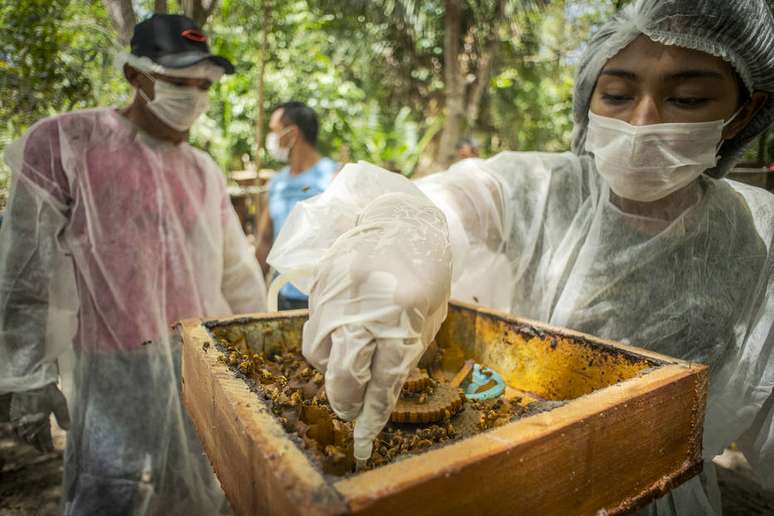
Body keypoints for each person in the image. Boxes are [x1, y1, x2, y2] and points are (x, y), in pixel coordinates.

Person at [266, 1, 774, 513]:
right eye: (618, 94)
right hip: (511, 477)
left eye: (687, 98)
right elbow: (455, 197)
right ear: (590, 95)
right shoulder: (541, 187)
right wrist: (402, 223)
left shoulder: (759, 239)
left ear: (744, 112)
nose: (642, 122)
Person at [0, 14, 266, 515]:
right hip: (113, 369)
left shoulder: (201, 170)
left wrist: (261, 353)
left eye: (202, 85)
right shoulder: (69, 144)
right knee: (112, 489)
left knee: (203, 487)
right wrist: (26, 376)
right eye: (176, 81)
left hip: (199, 363)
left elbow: (236, 275)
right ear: (134, 75)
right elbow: (23, 271)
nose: (193, 96)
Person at [255, 101, 338, 310]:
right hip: (283, 297)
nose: (271, 139)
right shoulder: (276, 184)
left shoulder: (334, 177)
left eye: (274, 131)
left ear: (291, 135)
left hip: (324, 300)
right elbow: (264, 242)